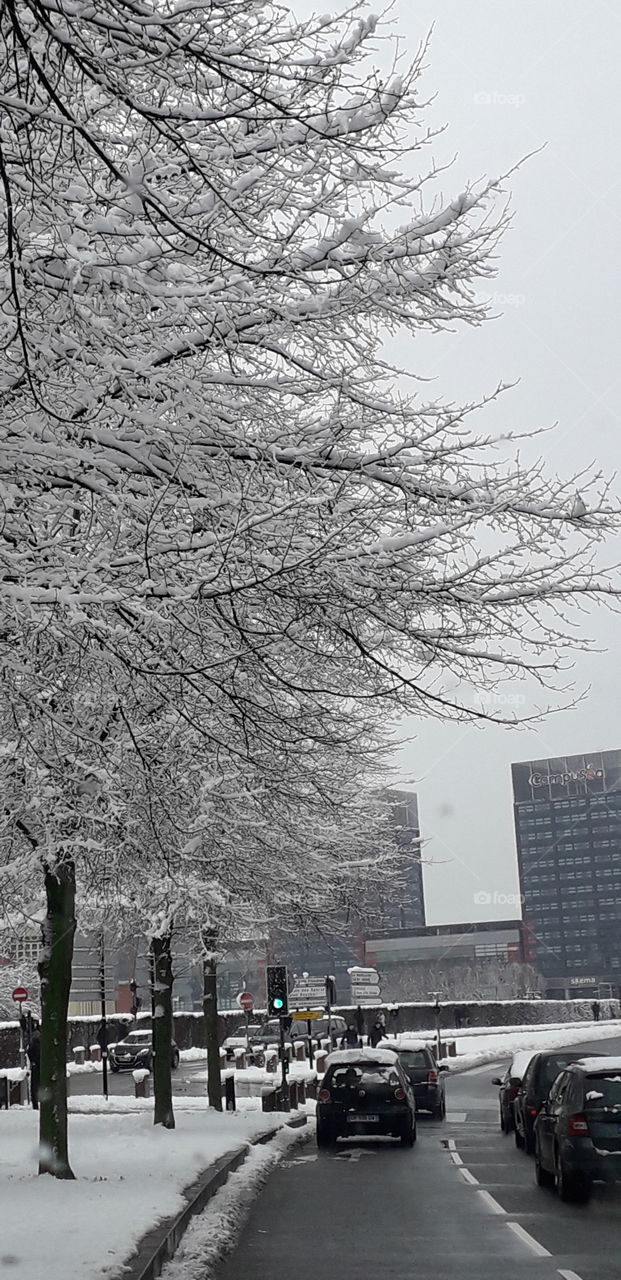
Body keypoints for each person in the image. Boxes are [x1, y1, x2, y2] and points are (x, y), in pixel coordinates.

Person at [27, 1024, 41, 1110]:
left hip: (36, 1066)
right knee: (36, 1086)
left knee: (35, 1087)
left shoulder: (34, 1042)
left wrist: (33, 1062)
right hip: (38, 1067)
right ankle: (35, 1104)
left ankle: (35, 1104)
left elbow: (29, 1053)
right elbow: (30, 1053)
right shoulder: (36, 1043)